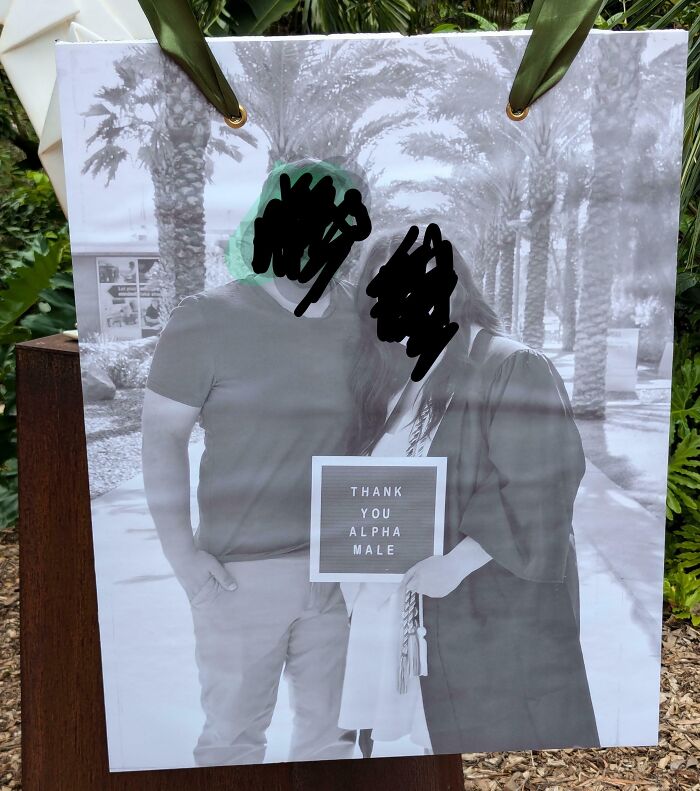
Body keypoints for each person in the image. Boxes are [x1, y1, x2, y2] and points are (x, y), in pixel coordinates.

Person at [141, 160, 367, 766]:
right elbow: (162, 439)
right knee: (232, 743)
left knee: (333, 744)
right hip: (239, 574)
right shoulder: (204, 321)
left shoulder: (367, 323)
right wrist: (181, 554)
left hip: (344, 575)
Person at [342, 229, 600, 756]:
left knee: (502, 747)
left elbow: (542, 485)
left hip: (492, 611)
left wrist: (456, 564)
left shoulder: (510, 365)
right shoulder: (408, 376)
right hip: (415, 609)